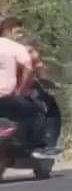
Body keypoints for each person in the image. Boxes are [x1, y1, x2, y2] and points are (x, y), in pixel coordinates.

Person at [0, 17, 54, 158]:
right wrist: (21, 90)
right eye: (18, 32)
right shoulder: (19, 49)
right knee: (37, 112)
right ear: (8, 30)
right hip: (9, 96)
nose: (20, 36)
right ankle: (37, 146)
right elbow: (32, 69)